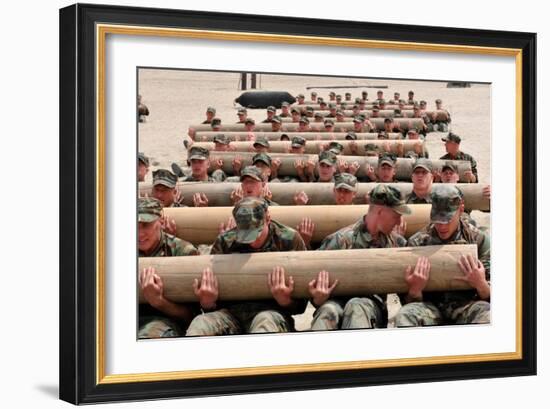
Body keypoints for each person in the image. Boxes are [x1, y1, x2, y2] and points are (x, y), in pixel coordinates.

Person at [185, 197, 308, 336]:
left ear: (268, 219)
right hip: (231, 314)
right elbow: (212, 304)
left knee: (265, 324)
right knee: (200, 324)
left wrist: (285, 301)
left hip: (270, 313)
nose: (252, 240)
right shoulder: (226, 242)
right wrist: (208, 303)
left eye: (256, 232)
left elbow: (301, 306)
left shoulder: (289, 240)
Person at [308, 184, 410, 331]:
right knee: (327, 311)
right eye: (396, 216)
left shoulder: (397, 244)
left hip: (369, 308)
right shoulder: (341, 240)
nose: (399, 222)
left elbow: (406, 297)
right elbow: (313, 285)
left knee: (357, 306)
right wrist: (318, 298)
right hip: (337, 303)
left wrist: (414, 290)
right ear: (381, 211)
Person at [394, 185, 490, 327]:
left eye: (447, 219)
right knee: (405, 315)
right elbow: (407, 302)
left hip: (467, 307)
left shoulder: (479, 240)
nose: (442, 226)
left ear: (461, 210)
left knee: (488, 315)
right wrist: (415, 291)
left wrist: (480, 284)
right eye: (437, 219)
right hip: (431, 309)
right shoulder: (417, 243)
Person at [137, 197, 199, 339]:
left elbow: (191, 316)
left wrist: (159, 302)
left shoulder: (184, 252)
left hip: (163, 322)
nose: (139, 233)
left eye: (146, 225)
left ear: (161, 222)